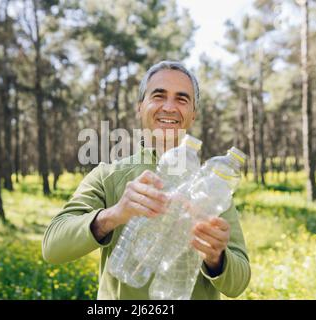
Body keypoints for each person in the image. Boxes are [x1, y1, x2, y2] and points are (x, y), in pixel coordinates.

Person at [42, 60, 251, 299]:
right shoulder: (108, 175)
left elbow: (238, 283)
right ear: (140, 107)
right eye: (159, 96)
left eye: (182, 99)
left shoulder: (211, 187)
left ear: (193, 114)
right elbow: (52, 248)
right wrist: (114, 215)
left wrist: (216, 257)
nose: (169, 107)